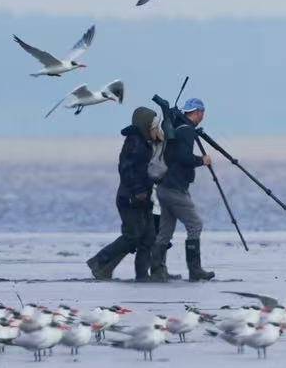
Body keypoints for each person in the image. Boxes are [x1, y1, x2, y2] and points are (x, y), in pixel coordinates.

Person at [87, 106, 161, 282]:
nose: (155, 130)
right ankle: (98, 261)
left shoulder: (145, 141)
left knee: (148, 236)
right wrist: (138, 190)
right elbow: (126, 169)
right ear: (145, 125)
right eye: (153, 126)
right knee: (132, 236)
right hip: (130, 198)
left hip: (144, 198)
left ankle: (142, 275)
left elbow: (147, 168)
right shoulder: (135, 141)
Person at [149, 94, 216, 282]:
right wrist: (201, 160)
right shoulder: (186, 131)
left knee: (165, 232)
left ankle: (156, 271)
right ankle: (195, 271)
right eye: (202, 112)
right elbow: (183, 157)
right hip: (175, 189)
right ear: (198, 113)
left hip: (164, 188)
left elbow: (176, 155)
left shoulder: (177, 127)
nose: (203, 116)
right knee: (195, 225)